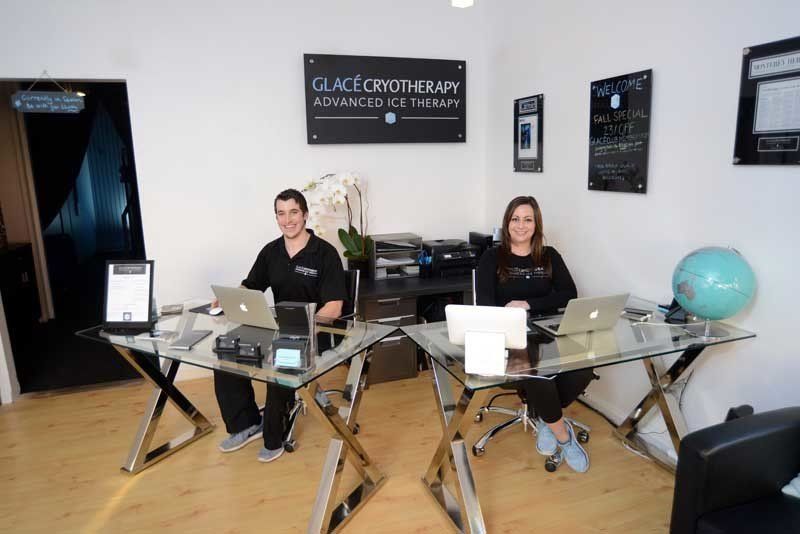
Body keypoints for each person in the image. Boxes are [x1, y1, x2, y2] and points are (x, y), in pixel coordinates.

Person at [213, 189, 346, 463]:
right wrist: (229, 299)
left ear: (305, 215)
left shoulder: (325, 253)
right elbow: (251, 286)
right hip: (278, 327)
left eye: (293, 212)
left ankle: (275, 436)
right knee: (226, 351)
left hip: (318, 330)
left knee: (282, 355)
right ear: (276, 217)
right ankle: (246, 424)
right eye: (281, 213)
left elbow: (334, 307)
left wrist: (305, 330)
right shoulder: (271, 251)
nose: (288, 220)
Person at [475, 195, 593, 473]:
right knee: (538, 371)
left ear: (536, 224)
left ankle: (545, 417)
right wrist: (512, 314)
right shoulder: (492, 258)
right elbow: (485, 304)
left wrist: (528, 304)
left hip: (547, 331)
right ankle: (563, 434)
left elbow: (569, 294)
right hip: (507, 336)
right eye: (515, 219)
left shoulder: (549, 255)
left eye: (528, 219)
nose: (521, 225)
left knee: (585, 365)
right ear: (507, 223)